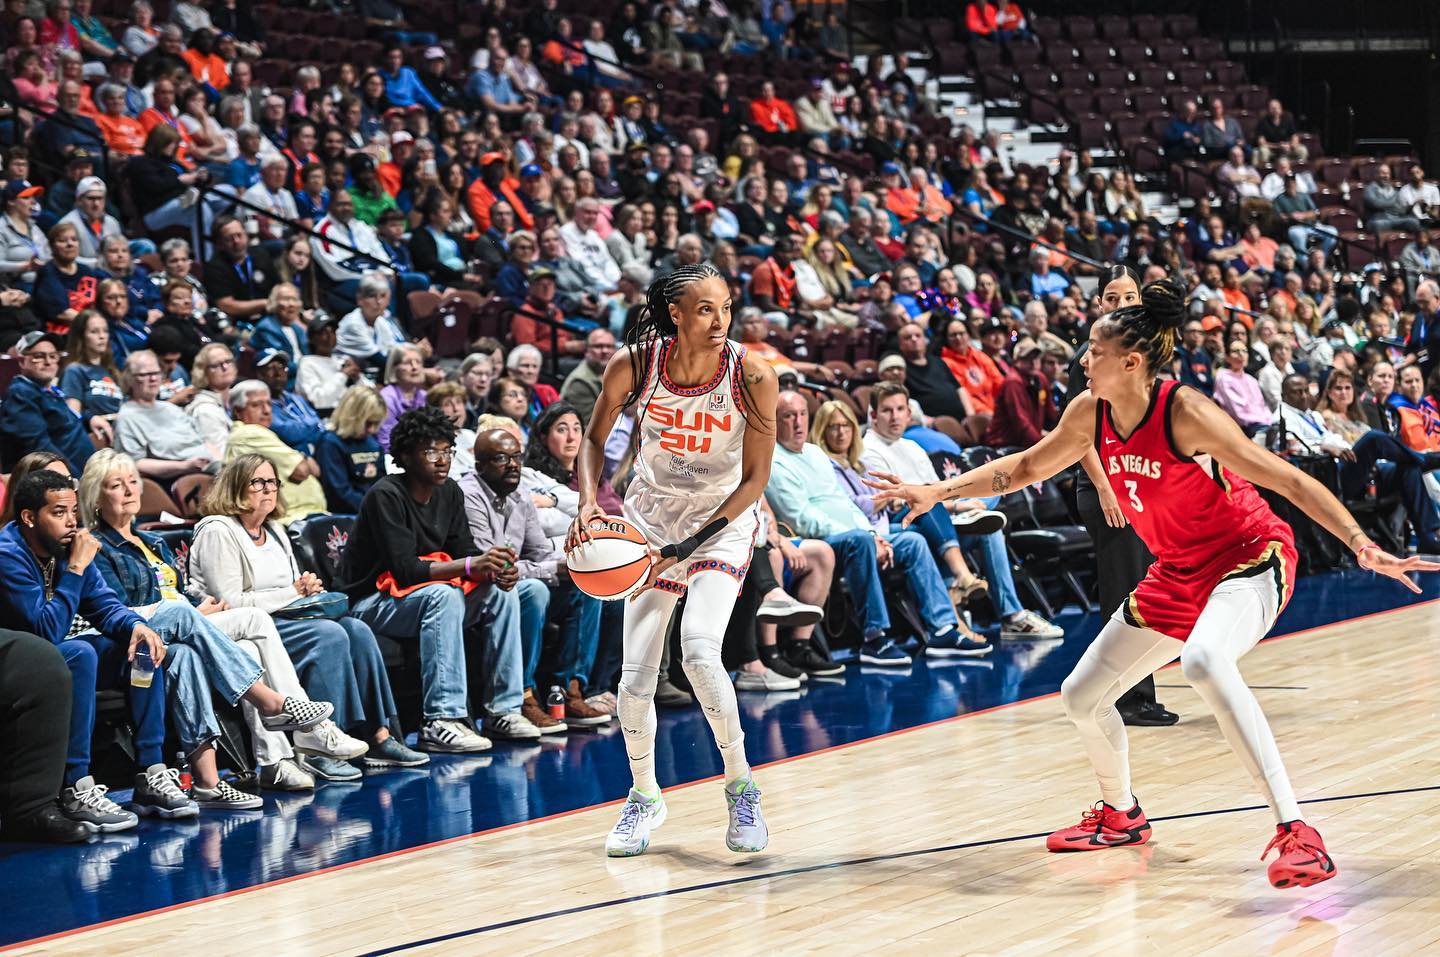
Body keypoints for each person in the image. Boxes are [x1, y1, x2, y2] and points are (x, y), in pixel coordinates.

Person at [868, 278, 1437, 888]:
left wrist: (1361, 544)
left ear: (1131, 362)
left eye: (1095, 351)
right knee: (1081, 696)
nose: (1082, 361)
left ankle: (1297, 832)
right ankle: (1121, 815)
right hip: (1176, 570)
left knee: (1205, 660)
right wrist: (937, 491)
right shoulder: (1089, 412)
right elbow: (1027, 466)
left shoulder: (1185, 412)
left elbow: (1289, 481)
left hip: (1248, 556)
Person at [568, 263, 777, 857]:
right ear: (675, 314)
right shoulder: (634, 365)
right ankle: (643, 796)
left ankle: (741, 786)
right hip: (650, 518)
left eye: (726, 307)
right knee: (634, 676)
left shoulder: (753, 375)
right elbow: (592, 438)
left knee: (700, 652)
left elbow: (755, 480)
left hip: (721, 522)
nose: (721, 320)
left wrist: (687, 547)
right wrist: (588, 502)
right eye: (706, 309)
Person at [0, 468, 339, 819]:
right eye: (59, 513)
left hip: (76, 645)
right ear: (29, 517)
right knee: (91, 649)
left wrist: (136, 627)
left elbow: (105, 605)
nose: (72, 522)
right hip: (29, 661)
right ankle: (78, 786)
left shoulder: (73, 545)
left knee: (148, 649)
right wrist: (76, 570)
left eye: (73, 511)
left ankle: (153, 774)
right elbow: (46, 630)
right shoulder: (10, 554)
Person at [187, 454, 427, 778]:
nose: (268, 489)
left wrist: (308, 589)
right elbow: (232, 602)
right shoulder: (218, 530)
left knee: (357, 629)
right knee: (329, 635)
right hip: (244, 627)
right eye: (257, 482)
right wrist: (294, 592)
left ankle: (380, 735)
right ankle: (319, 745)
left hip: (285, 618)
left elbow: (291, 587)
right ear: (235, 487)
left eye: (272, 482)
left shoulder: (274, 529)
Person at [337, 407, 538, 748]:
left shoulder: (450, 492)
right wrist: (473, 565)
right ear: (405, 456)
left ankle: (503, 711)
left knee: (502, 593)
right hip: (368, 604)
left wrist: (494, 569)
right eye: (432, 452)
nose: (443, 460)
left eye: (447, 451)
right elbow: (406, 570)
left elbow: (464, 550)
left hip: (416, 599)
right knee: (444, 595)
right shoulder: (385, 495)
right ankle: (441, 719)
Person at [224, 379, 329, 526]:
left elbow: (316, 470)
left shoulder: (261, 434)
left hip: (302, 517)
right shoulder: (250, 433)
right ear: (237, 411)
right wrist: (304, 457)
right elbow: (301, 470)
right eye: (256, 405)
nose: (267, 410)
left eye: (268, 403)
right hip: (291, 520)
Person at [113, 349, 218, 479]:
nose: (153, 379)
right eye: (144, 374)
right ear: (129, 379)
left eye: (156, 373)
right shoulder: (127, 417)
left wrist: (221, 461)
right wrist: (184, 466)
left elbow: (204, 442)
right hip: (183, 479)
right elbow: (134, 463)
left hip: (213, 469)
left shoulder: (171, 408)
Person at [0, 331, 95, 472]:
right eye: (39, 356)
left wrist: (91, 418)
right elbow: (39, 448)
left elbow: (69, 420)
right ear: (21, 361)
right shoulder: (20, 393)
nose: (48, 362)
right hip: (60, 478)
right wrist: (74, 478)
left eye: (53, 356)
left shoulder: (49, 391)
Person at [316, 385, 387, 514]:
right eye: (368, 423)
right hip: (347, 515)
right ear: (352, 416)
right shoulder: (330, 443)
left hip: (373, 508)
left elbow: (383, 483)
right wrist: (375, 509)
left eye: (376, 423)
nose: (372, 429)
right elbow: (339, 494)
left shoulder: (373, 443)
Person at [61, 309, 123, 449]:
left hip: (120, 431)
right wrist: (91, 417)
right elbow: (73, 415)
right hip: (95, 438)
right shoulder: (75, 370)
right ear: (81, 336)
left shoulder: (112, 371)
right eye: (94, 332)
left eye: (105, 331)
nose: (102, 336)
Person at [559, 327, 615, 425]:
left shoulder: (612, 372)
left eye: (609, 346)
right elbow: (589, 426)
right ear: (586, 350)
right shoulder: (579, 383)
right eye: (598, 346)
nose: (605, 351)